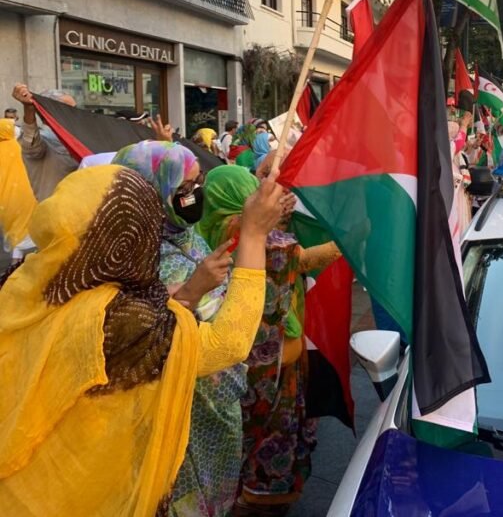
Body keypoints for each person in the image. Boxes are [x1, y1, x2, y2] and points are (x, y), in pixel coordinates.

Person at [0, 163, 283, 516]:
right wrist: (254, 236)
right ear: (128, 238)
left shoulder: (22, 282)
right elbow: (229, 343)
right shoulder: (114, 319)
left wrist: (185, 293)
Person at [112, 141, 247, 517]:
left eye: (197, 184)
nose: (194, 197)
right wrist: (193, 291)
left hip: (218, 393)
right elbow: (145, 329)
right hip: (180, 400)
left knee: (217, 491)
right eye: (183, 190)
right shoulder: (133, 254)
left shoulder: (187, 234)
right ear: (150, 194)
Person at [197, 166, 340, 516]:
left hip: (227, 355)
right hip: (269, 357)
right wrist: (343, 243)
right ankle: (260, 500)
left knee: (235, 434)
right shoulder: (245, 229)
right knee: (269, 433)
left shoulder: (205, 226)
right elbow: (294, 257)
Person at [11, 85, 79, 201]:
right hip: (53, 214)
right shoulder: (43, 138)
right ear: (49, 112)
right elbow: (31, 146)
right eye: (69, 110)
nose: (76, 114)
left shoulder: (79, 139)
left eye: (75, 109)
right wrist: (29, 109)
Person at [0, 118, 36, 261]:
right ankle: (17, 260)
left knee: (11, 227)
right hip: (24, 193)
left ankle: (15, 259)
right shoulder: (17, 146)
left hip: (5, 198)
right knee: (22, 225)